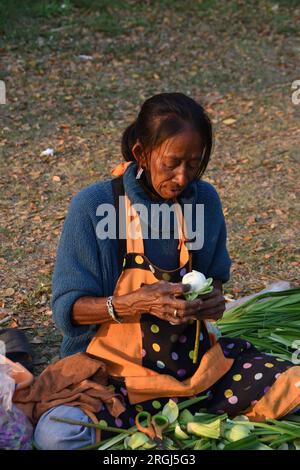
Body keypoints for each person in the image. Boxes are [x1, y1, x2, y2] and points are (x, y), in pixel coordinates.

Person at [34, 93, 300, 450]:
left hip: (197, 371)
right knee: (58, 436)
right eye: (172, 163)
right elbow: (69, 310)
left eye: (195, 164)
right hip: (114, 377)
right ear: (142, 153)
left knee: (294, 388)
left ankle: (170, 429)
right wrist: (133, 303)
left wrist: (211, 301)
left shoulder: (202, 200)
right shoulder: (96, 206)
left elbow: (215, 279)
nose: (183, 177)